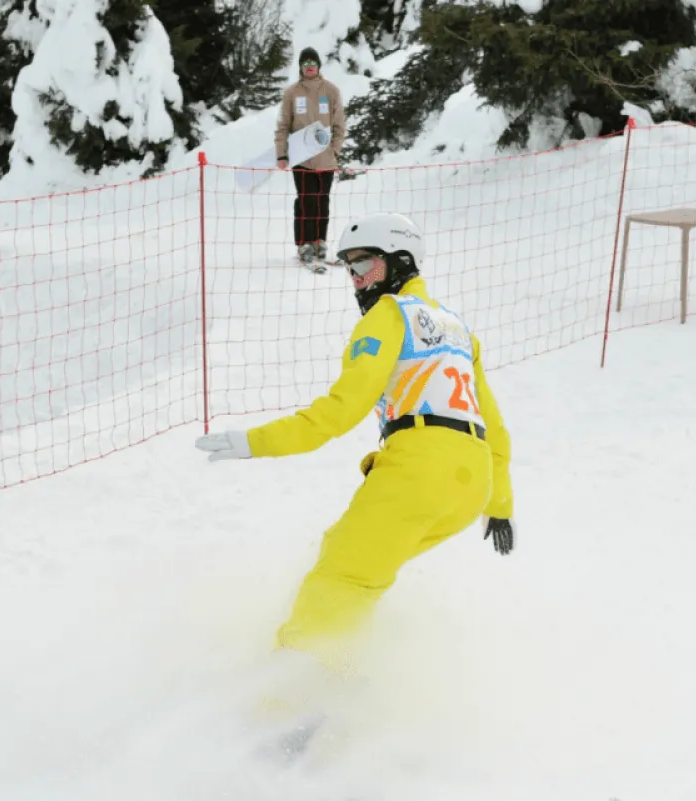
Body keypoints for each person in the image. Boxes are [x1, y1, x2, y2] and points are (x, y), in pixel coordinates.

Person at [196, 212, 515, 686]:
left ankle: (287, 703)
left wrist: (253, 443)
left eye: (365, 264)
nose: (356, 278)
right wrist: (499, 504)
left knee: (340, 577)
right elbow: (493, 428)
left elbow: (339, 412)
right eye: (349, 267)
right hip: (468, 489)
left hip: (418, 472)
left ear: (401, 262)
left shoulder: (390, 316)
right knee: (363, 575)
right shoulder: (458, 330)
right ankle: (340, 681)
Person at [274, 47, 347, 267]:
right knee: (306, 201)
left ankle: (319, 241)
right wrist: (282, 154)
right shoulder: (292, 93)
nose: (309, 66)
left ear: (318, 65)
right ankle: (304, 244)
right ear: (300, 67)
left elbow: (339, 125)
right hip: (301, 159)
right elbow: (283, 126)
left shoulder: (331, 91)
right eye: (304, 63)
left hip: (326, 160)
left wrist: (334, 150)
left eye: (312, 62)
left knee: (323, 201)